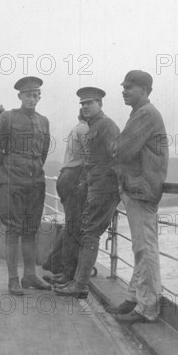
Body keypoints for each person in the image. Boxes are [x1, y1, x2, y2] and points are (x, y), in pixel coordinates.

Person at [106, 70, 169, 323]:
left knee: (145, 248)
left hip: (142, 190)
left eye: (130, 87)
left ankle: (148, 307)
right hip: (138, 188)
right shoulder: (140, 113)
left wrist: (115, 145)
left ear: (145, 90)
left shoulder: (145, 114)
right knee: (141, 248)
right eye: (124, 86)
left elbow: (120, 150)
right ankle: (134, 297)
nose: (124, 90)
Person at [0, 76, 51, 295]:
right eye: (27, 95)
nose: (31, 99)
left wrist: (31, 171)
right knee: (13, 230)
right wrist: (7, 174)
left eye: (35, 95)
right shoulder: (8, 118)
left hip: (35, 183)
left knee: (31, 230)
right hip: (11, 183)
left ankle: (30, 276)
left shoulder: (44, 121)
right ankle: (13, 279)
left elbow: (42, 153)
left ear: (39, 96)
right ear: (20, 96)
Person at [55, 87, 120, 298]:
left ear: (100, 104)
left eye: (89, 103)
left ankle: (80, 285)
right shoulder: (92, 127)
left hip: (104, 189)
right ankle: (77, 282)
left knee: (89, 234)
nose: (85, 107)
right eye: (82, 104)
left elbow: (117, 156)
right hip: (94, 187)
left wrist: (114, 187)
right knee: (85, 233)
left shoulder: (106, 126)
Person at [43, 111, 89, 285]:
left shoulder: (76, 128)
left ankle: (53, 263)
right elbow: (89, 159)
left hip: (65, 177)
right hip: (74, 177)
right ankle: (67, 272)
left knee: (71, 223)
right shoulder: (85, 130)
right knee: (74, 226)